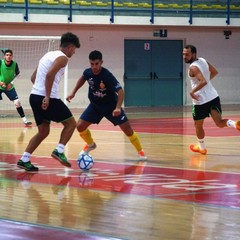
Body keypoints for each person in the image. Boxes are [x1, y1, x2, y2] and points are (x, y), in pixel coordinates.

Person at [67, 50, 147, 160]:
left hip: (111, 107)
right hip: (95, 106)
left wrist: (118, 107)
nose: (94, 66)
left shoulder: (107, 75)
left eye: (96, 64)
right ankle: (90, 144)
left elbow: (121, 92)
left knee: (127, 129)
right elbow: (82, 78)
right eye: (92, 64)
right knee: (80, 126)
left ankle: (141, 152)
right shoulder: (88, 72)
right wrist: (73, 92)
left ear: (101, 62)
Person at [17, 32, 80, 171]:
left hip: (34, 96)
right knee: (71, 123)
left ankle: (24, 159)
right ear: (70, 47)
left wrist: (40, 92)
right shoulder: (63, 58)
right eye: (74, 49)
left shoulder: (47, 55)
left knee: (43, 131)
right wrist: (46, 96)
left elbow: (33, 77)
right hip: (47, 97)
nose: (74, 52)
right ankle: (59, 150)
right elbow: (50, 74)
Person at [183, 44, 240, 155]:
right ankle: (235, 124)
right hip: (213, 97)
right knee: (219, 123)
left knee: (198, 125)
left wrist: (192, 91)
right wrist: (207, 82)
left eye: (187, 54)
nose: (184, 56)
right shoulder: (203, 60)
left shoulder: (193, 67)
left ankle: (202, 148)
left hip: (200, 101)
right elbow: (214, 72)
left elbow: (203, 81)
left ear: (193, 54)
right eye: (183, 54)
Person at [0, 49, 32, 126]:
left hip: (9, 87)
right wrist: (0, 83)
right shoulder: (0, 63)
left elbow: (18, 74)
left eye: (10, 55)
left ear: (12, 56)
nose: (8, 57)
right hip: (0, 85)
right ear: (4, 56)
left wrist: (11, 83)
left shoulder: (15, 64)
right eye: (7, 55)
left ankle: (25, 121)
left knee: (17, 102)